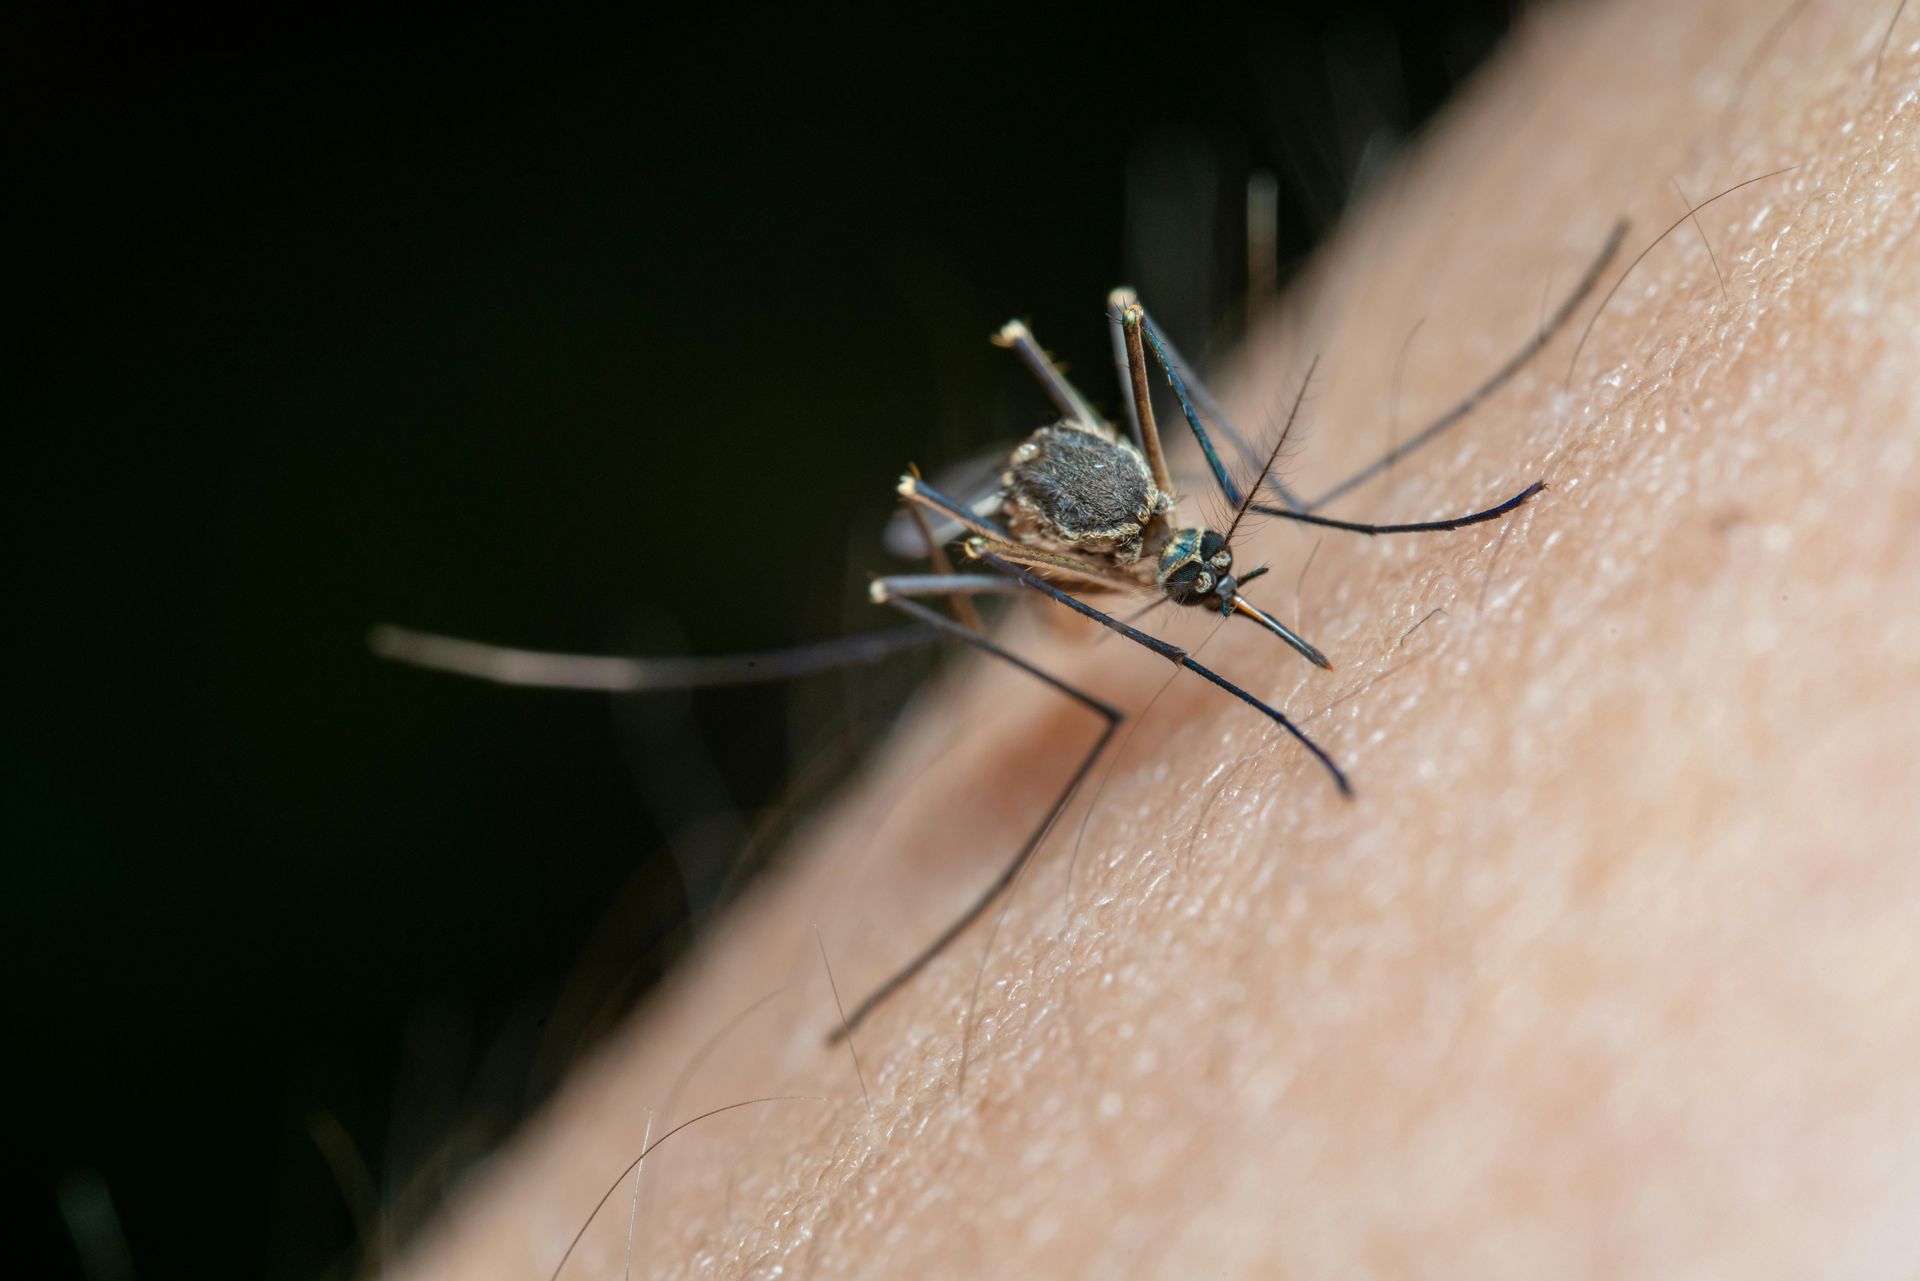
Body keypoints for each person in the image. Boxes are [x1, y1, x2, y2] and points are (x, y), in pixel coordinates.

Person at [393, 0, 1920, 1275]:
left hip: (1103, 504)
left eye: (1208, 566)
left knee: (1137, 358)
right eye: (1203, 571)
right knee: (944, 559)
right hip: (1029, 539)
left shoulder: (1175, 509)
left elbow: (1199, 498)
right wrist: (1156, 644)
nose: (1215, 577)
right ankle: (1076, 689)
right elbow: (1004, 541)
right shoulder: (1099, 543)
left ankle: (1313, 512)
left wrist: (1308, 514)